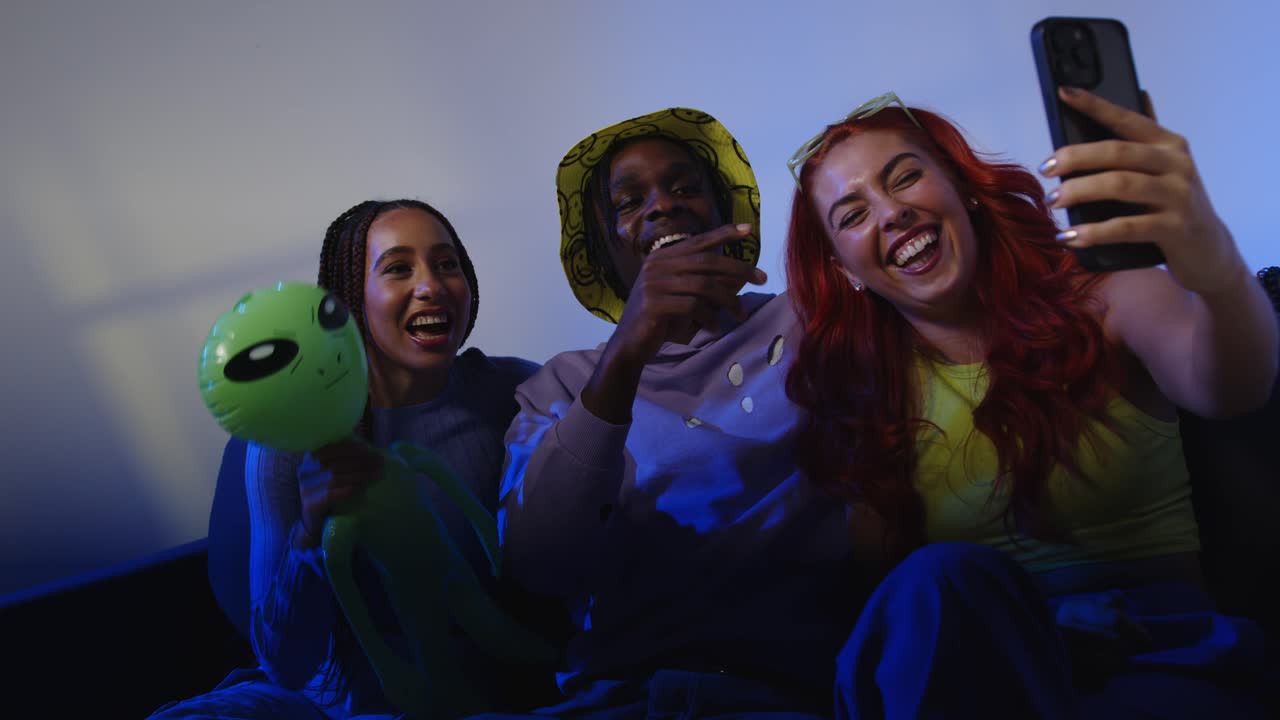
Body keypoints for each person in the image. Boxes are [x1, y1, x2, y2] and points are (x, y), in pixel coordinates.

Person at [783, 88, 1279, 718]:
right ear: (846, 270)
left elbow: (1234, 386)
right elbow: (896, 619)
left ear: (962, 187)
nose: (892, 213)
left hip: (1157, 657)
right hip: (982, 671)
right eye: (853, 214)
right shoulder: (866, 397)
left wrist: (1215, 264)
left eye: (905, 177)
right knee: (934, 581)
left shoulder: (1103, 298)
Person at [494, 107, 862, 717]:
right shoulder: (561, 385)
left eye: (685, 187)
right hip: (628, 696)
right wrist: (626, 354)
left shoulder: (810, 320)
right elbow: (537, 564)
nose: (663, 205)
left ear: (725, 215)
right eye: (629, 202)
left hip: (798, 685)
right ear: (603, 251)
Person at [150, 198, 545, 719]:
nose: (431, 285)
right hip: (337, 705)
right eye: (398, 268)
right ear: (348, 298)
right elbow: (286, 665)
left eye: (447, 264)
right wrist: (309, 537)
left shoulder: (522, 390)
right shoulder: (284, 442)